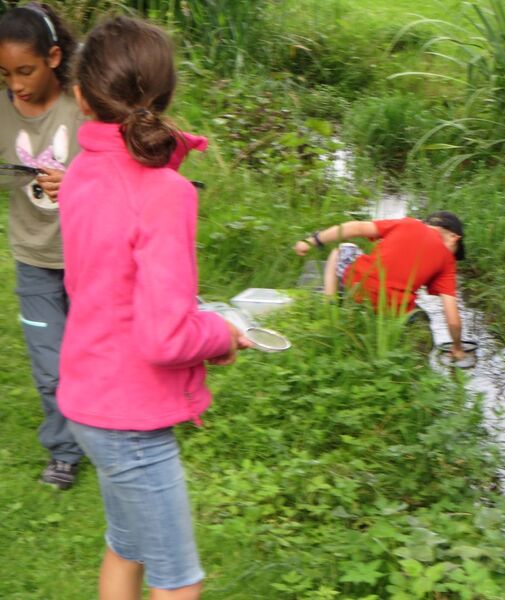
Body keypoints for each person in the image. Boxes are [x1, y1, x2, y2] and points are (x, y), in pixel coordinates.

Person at [57, 16, 251, 600]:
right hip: (129, 422)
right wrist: (223, 331)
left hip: (86, 401)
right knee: (177, 580)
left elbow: (97, 287)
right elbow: (164, 337)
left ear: (80, 95)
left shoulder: (78, 174)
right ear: (165, 95)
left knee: (127, 546)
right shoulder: (164, 193)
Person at [0, 2, 84, 489]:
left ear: (54, 57)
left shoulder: (82, 104)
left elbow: (111, 169)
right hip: (33, 258)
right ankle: (65, 452)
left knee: (91, 354)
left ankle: (108, 431)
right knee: (50, 365)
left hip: (85, 256)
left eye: (26, 70)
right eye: (6, 73)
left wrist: (74, 182)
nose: (16, 84)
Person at [294, 211, 467, 360]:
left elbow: (355, 228)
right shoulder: (448, 261)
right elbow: (452, 319)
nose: (454, 257)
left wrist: (312, 241)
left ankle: (329, 301)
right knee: (415, 310)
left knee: (342, 249)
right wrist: (457, 348)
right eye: (456, 252)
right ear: (454, 237)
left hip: (359, 286)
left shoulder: (408, 224)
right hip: (394, 311)